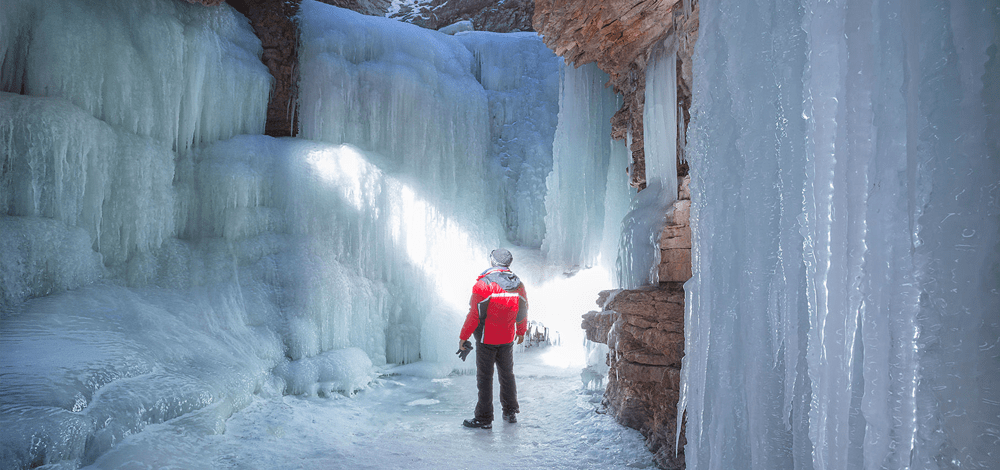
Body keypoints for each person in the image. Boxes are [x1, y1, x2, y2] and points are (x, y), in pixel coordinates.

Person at [458, 248, 528, 429]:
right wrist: (520, 331)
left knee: (484, 378)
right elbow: (523, 309)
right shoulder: (518, 284)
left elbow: (474, 315)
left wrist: (463, 337)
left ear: (492, 262)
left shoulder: (483, 284)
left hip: (486, 339)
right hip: (507, 338)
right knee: (507, 375)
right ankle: (510, 412)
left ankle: (484, 418)